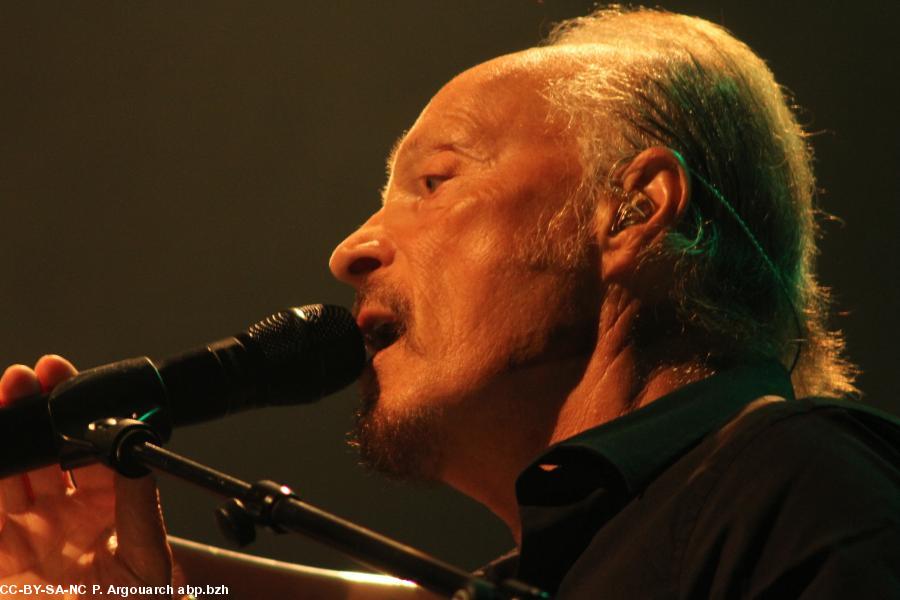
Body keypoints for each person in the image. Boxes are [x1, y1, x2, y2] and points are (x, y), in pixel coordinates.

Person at [1, 6, 897, 599]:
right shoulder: (583, 562)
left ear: (635, 210)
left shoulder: (798, 481)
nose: (349, 251)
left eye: (435, 181)